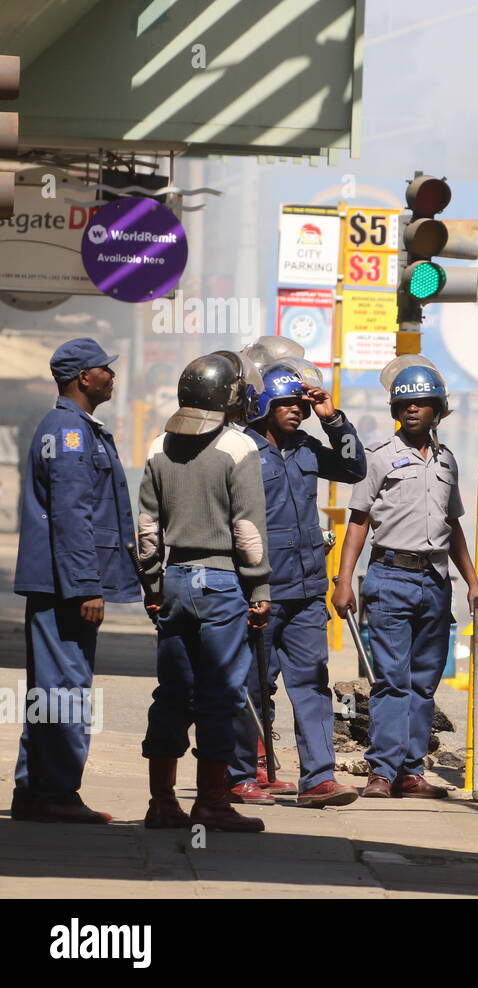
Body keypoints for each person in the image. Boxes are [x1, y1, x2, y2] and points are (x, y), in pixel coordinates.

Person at [331, 359, 478, 800]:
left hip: (436, 582)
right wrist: (344, 581)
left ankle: (411, 773)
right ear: (396, 409)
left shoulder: (448, 462)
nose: (413, 409)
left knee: (423, 683)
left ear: (437, 409)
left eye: (422, 403)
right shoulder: (379, 458)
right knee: (392, 680)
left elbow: (453, 527)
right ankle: (382, 770)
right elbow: (357, 521)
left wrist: (471, 583)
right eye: (406, 403)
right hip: (389, 576)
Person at [137, 351, 273, 833]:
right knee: (220, 696)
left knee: (172, 693)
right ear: (229, 396)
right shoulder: (240, 448)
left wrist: (152, 586)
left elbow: (147, 530)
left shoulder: (158, 446)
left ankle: (161, 803)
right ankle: (212, 804)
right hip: (222, 586)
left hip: (174, 581)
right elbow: (248, 530)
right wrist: (259, 590)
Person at [11, 338, 140, 824]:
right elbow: (71, 514)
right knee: (65, 689)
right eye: (104, 369)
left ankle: (35, 790)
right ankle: (57, 793)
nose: (111, 375)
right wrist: (87, 585)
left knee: (51, 688)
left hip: (56, 583)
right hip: (66, 586)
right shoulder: (69, 431)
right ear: (83, 378)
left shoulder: (68, 426)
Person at [227, 363, 366, 809]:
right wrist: (244, 588)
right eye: (285, 403)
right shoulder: (239, 450)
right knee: (251, 685)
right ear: (263, 405)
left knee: (311, 683)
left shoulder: (307, 446)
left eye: (298, 404)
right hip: (261, 590)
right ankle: (241, 774)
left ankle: (319, 779)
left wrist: (331, 417)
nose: (294, 412)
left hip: (307, 591)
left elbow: (352, 467)